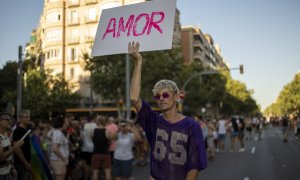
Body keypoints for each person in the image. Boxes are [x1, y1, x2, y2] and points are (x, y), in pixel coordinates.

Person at [129, 41, 207, 180]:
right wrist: (138, 62)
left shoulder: (192, 126)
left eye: (165, 95)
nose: (161, 98)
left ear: (176, 97)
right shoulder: (153, 121)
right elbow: (135, 98)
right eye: (157, 96)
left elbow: (195, 165)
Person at [0, 112, 24, 179]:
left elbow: (9, 155)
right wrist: (15, 147)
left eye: (9, 118)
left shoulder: (5, 135)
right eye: (5, 118)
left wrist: (12, 168)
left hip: (8, 173)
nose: (8, 120)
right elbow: (1, 157)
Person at [12, 110, 32, 180]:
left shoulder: (28, 130)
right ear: (20, 118)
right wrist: (25, 163)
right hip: (21, 164)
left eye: (29, 117)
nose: (28, 119)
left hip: (28, 163)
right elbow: (17, 149)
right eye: (26, 117)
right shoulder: (17, 131)